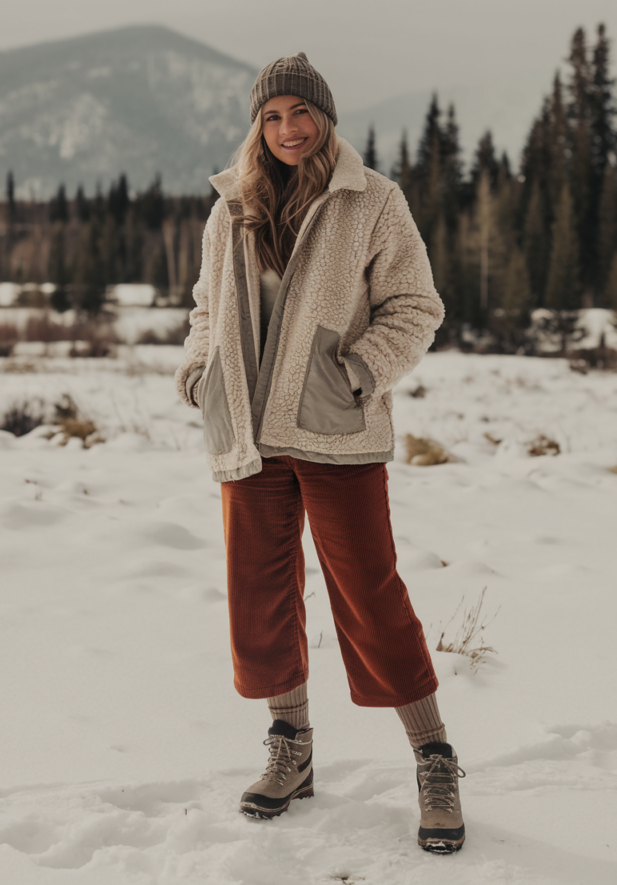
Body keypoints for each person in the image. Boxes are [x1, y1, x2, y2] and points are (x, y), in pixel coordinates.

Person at [175, 52, 465, 853]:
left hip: (337, 431)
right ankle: (291, 747)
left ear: (325, 118)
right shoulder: (232, 207)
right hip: (249, 433)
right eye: (272, 116)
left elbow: (416, 306)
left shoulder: (372, 200)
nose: (288, 129)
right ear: (257, 126)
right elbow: (205, 307)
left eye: (300, 112)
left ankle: (433, 756)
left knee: (369, 592)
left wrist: (360, 370)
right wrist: (200, 373)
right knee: (258, 594)